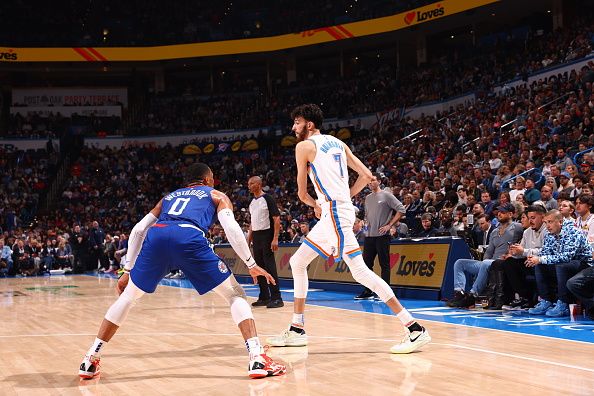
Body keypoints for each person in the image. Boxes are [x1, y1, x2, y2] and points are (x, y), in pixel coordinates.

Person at [79, 163, 286, 380]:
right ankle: (256, 358)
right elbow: (231, 227)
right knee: (235, 294)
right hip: (189, 238)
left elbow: (139, 229)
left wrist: (127, 269)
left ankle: (90, 359)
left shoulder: (168, 197)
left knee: (129, 297)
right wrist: (250, 263)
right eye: (213, 177)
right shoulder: (216, 195)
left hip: (157, 237)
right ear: (207, 180)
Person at [266, 104, 430, 354]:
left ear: (309, 124)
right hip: (338, 211)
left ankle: (415, 328)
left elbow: (301, 193)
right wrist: (344, 198)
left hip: (333, 213)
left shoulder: (304, 146)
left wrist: (318, 204)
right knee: (304, 263)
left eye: (297, 122)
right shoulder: (338, 143)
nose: (293, 127)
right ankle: (297, 329)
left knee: (357, 272)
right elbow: (367, 175)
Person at [527, 209, 593, 317]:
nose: (547, 226)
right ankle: (546, 301)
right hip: (566, 264)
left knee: (561, 266)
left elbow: (567, 257)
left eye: (550, 222)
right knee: (539, 265)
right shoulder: (549, 234)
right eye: (545, 222)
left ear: (560, 222)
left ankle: (563, 303)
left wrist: (541, 259)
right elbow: (545, 252)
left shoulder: (573, 232)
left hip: (584, 264)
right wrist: (535, 258)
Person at [355, 173, 406, 300]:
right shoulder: (367, 198)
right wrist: (364, 223)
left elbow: (401, 209)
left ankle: (385, 293)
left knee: (384, 264)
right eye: (368, 182)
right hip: (369, 236)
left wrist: (389, 225)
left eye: (372, 180)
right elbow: (366, 215)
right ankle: (368, 291)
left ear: (379, 181)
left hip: (382, 235)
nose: (370, 183)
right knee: (366, 265)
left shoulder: (387, 195)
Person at [247, 175, 283, 308]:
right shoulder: (252, 202)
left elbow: (276, 219)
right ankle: (264, 296)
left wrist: (275, 238)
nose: (249, 186)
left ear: (258, 184)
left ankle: (277, 297)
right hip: (256, 237)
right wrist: (249, 239)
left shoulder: (268, 198)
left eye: (251, 184)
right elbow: (252, 223)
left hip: (267, 235)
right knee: (259, 267)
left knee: (270, 267)